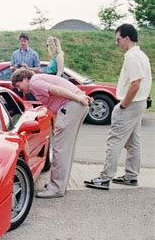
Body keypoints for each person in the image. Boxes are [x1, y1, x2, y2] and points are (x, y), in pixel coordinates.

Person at [84, 24, 152, 190]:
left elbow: (135, 83)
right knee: (134, 142)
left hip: (130, 104)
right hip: (140, 103)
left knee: (114, 140)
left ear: (127, 38)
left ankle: (105, 177)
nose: (117, 43)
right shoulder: (142, 55)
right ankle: (131, 176)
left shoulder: (131, 57)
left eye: (118, 39)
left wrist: (122, 105)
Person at [12, 68, 91, 198]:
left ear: (25, 79)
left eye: (18, 85)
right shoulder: (39, 80)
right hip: (74, 106)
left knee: (59, 149)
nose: (19, 90)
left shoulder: (34, 82)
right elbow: (55, 101)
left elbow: (56, 90)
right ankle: (60, 185)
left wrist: (78, 98)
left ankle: (56, 188)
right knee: (66, 149)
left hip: (72, 105)